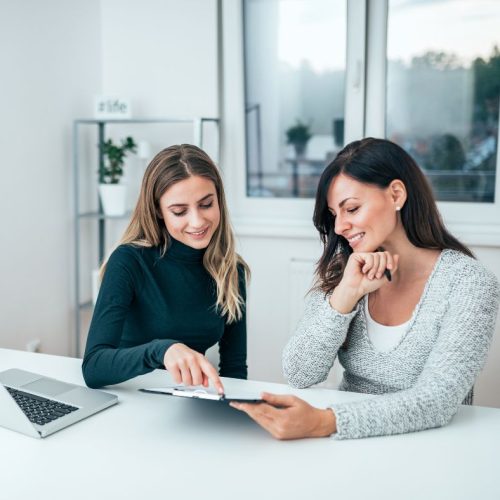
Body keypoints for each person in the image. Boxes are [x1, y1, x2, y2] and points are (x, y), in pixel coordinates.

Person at [231, 137, 499, 440]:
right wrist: (345, 296)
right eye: (334, 215)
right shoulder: (346, 271)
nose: (339, 227)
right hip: (347, 446)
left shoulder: (469, 282)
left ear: (396, 194)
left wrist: (325, 422)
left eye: (352, 208)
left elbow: (438, 400)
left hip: (428, 449)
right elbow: (299, 372)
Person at [82, 144, 249, 392]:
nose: (197, 221)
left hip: (188, 403)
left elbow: (234, 368)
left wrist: (233, 413)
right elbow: (93, 367)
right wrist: (162, 350)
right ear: (158, 211)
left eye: (206, 204)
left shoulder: (230, 269)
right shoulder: (128, 261)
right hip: (127, 398)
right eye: (179, 211)